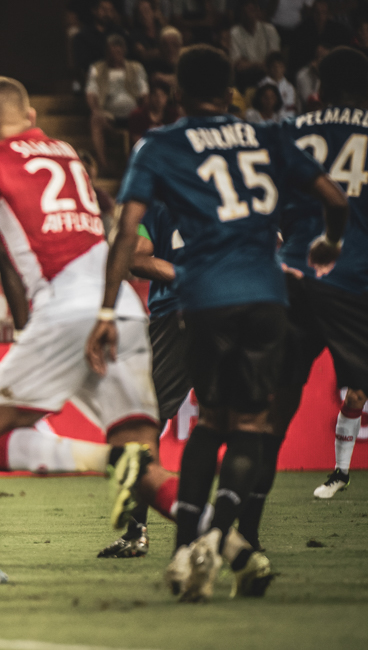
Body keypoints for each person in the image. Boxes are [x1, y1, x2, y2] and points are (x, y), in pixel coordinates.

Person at [0, 77, 181, 586]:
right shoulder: (67, 154)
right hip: (120, 309)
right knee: (145, 459)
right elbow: (31, 226)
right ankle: (226, 543)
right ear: (32, 117)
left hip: (63, 311)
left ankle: (110, 460)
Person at [105, 45, 346, 602]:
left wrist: (105, 309)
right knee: (252, 427)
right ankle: (220, 541)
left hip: (198, 302)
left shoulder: (162, 149)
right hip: (267, 297)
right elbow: (333, 201)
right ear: (233, 92)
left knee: (206, 422)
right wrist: (329, 245)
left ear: (177, 93)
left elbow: (127, 239)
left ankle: (183, 545)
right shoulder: (269, 138)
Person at [271, 47, 368, 509]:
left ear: (319, 89)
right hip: (357, 283)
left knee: (272, 409)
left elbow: (263, 207)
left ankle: (240, 524)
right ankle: (340, 471)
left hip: (293, 278)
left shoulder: (288, 131)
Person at [97, 200, 186, 559]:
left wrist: (186, 275)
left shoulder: (156, 199)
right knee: (236, 423)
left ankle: (137, 533)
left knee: (144, 428)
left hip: (180, 314)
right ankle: (246, 535)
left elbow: (134, 255)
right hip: (241, 309)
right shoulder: (236, 183)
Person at [86, 33, 148, 171]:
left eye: (118, 51)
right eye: (112, 51)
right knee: (95, 119)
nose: (115, 55)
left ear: (124, 51)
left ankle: (139, 165)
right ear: (106, 52)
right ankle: (103, 164)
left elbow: (144, 93)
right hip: (109, 114)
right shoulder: (97, 68)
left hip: (133, 113)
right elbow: (91, 93)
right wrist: (96, 110)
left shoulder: (136, 67)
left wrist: (143, 112)